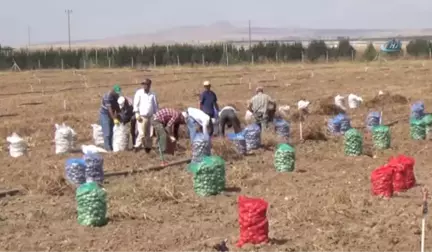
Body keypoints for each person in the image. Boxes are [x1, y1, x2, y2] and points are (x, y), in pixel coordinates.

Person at [133, 78, 158, 153]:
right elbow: (135, 104)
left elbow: (155, 106)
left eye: (146, 84)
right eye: (143, 84)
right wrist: (137, 114)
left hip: (150, 116)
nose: (144, 86)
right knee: (141, 134)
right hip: (141, 117)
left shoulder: (152, 94)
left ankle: (148, 148)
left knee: (149, 134)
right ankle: (137, 147)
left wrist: (156, 115)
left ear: (149, 85)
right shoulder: (139, 93)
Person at [99, 84, 122, 151]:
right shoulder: (107, 96)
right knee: (107, 132)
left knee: (112, 132)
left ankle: (112, 147)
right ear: (113, 90)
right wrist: (114, 119)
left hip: (112, 113)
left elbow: (117, 107)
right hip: (105, 114)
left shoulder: (116, 96)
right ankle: (108, 149)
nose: (117, 94)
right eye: (116, 93)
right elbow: (110, 109)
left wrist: (119, 115)